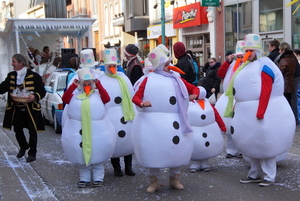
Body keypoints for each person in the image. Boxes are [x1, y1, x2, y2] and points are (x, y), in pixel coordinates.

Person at [224, 34, 295, 187]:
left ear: (256, 51)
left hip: (263, 113)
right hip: (247, 113)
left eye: (250, 50)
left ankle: (269, 176)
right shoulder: (245, 67)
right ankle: (254, 174)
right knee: (252, 145)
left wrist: (261, 111)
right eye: (246, 50)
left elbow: (266, 89)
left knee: (265, 144)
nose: (247, 53)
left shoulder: (265, 65)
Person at [132, 46, 199, 193]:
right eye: (167, 64)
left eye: (169, 63)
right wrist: (142, 103)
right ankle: (154, 181)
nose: (170, 67)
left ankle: (175, 179)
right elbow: (136, 97)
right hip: (153, 123)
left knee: (176, 151)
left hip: (176, 120)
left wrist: (195, 94)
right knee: (154, 151)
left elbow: (194, 88)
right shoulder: (147, 80)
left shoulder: (177, 80)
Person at [61, 68, 116, 188]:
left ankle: (98, 178)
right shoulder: (75, 94)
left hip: (96, 130)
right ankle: (84, 179)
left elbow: (107, 99)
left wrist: (99, 85)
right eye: (84, 84)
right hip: (79, 129)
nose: (87, 86)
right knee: (82, 159)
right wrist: (72, 87)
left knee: (97, 157)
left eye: (89, 84)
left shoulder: (97, 94)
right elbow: (65, 100)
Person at [0, 54, 46, 163]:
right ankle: (24, 146)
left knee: (32, 131)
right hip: (16, 109)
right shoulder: (11, 75)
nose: (12, 63)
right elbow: (2, 88)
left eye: (14, 61)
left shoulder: (34, 76)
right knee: (17, 129)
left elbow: (42, 91)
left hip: (31, 109)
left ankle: (32, 153)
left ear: (21, 63)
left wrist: (34, 96)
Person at [99, 49, 136, 177]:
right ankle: (116, 168)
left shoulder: (123, 78)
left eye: (114, 66)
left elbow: (132, 95)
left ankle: (128, 167)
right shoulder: (101, 79)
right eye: (110, 66)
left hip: (126, 114)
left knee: (128, 142)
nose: (112, 68)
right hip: (111, 116)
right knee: (114, 142)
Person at [216, 40, 245, 159]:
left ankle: (242, 149)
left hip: (242, 98)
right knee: (230, 124)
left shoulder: (248, 65)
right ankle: (231, 150)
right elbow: (220, 73)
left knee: (242, 125)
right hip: (230, 96)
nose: (240, 58)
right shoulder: (231, 64)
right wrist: (227, 62)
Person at [188, 86, 226, 173]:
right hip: (194, 130)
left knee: (206, 147)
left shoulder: (208, 104)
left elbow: (216, 115)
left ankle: (205, 162)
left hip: (209, 129)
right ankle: (195, 163)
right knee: (195, 146)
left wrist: (222, 126)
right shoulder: (189, 104)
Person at [277, 42, 297, 107]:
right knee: (291, 102)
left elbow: (280, 73)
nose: (279, 52)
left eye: (280, 50)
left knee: (285, 103)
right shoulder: (292, 58)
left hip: (285, 84)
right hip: (290, 84)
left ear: (283, 50)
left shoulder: (283, 60)